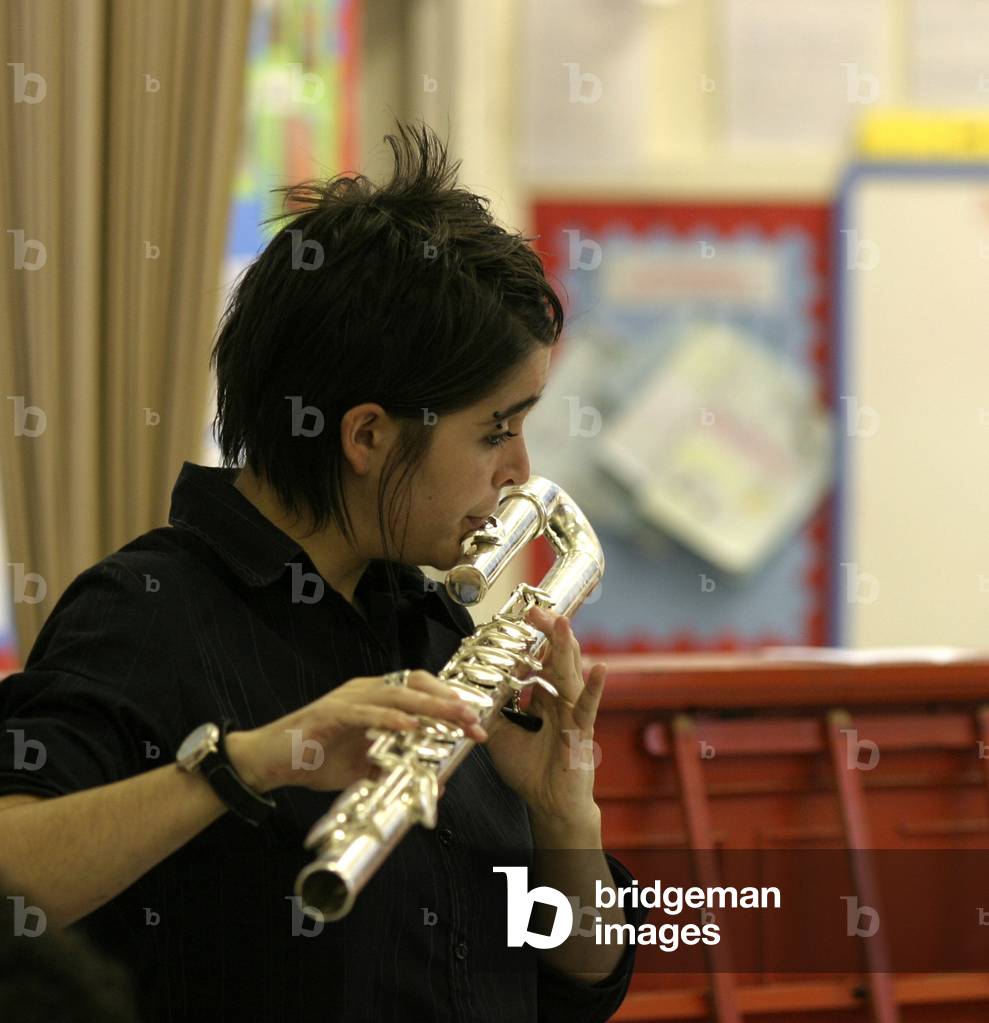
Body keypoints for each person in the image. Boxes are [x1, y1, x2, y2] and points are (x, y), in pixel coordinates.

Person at [0, 120, 646, 1022]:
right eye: (495, 428)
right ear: (368, 435)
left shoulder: (431, 625)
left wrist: (561, 813)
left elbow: (579, 983)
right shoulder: (148, 612)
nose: (519, 470)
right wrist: (247, 765)